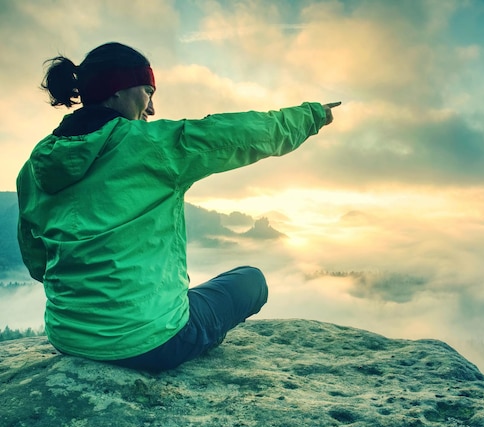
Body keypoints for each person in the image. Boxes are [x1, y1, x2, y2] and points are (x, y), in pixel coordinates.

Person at [16, 42, 339, 372]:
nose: (152, 108)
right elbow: (239, 134)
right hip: (150, 345)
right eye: (147, 92)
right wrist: (311, 116)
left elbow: (37, 262)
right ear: (116, 91)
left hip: (68, 337)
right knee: (251, 280)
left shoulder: (34, 167)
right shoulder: (151, 146)